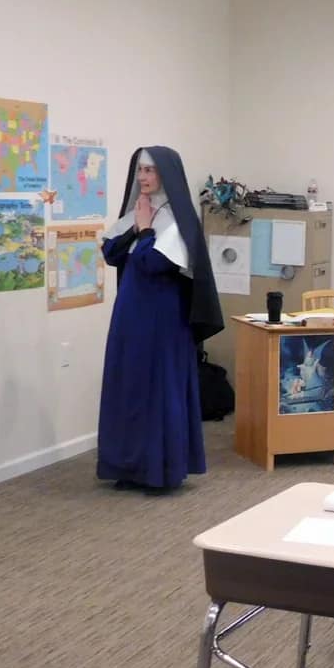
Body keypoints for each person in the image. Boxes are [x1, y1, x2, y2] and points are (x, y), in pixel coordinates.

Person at [97, 147, 222, 490]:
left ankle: (159, 470)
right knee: (128, 385)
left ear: (166, 174)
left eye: (150, 171)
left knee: (157, 388)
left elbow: (155, 264)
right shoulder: (141, 211)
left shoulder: (178, 219)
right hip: (130, 314)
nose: (143, 178)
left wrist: (145, 232)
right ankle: (128, 466)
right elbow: (110, 253)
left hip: (163, 317)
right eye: (139, 171)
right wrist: (137, 227)